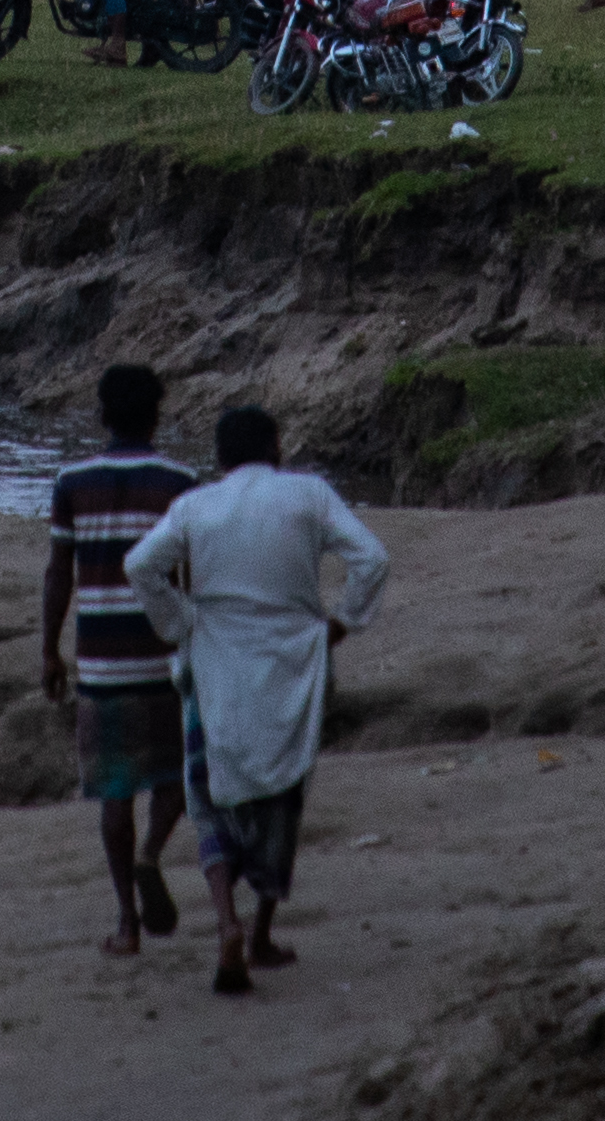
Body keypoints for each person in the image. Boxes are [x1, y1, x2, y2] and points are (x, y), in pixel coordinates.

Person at [121, 405, 389, 998]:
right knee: (282, 797)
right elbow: (373, 558)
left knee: (209, 796)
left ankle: (226, 926)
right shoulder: (309, 495)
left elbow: (141, 566)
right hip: (293, 661)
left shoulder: (197, 506)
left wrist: (183, 623)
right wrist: (341, 622)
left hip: (215, 664)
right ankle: (263, 932)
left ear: (219, 457)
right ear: (276, 446)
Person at [40, 364, 202, 958]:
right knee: (175, 776)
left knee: (114, 791)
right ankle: (152, 853)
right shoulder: (180, 481)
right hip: (161, 656)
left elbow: (60, 573)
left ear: (102, 414)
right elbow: (187, 580)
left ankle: (127, 924)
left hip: (102, 663)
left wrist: (49, 650)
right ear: (157, 415)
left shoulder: (72, 481)